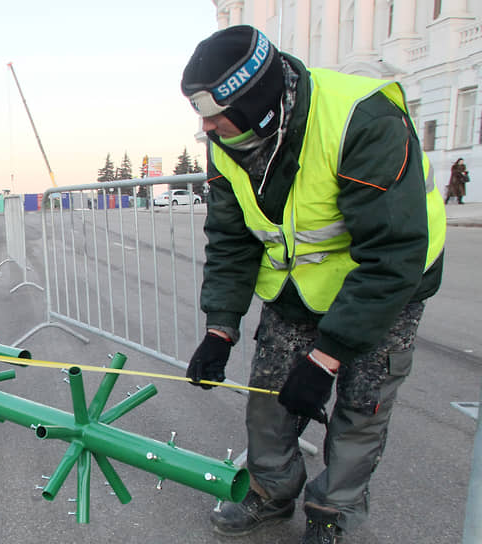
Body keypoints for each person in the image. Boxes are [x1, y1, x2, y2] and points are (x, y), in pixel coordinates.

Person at [180, 26, 446, 543]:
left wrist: (328, 357)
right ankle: (271, 494)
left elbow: (393, 254)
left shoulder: (361, 120)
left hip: (387, 288)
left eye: (215, 114)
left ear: (258, 105)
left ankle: (332, 513)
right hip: (297, 291)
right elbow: (232, 240)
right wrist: (221, 329)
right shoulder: (227, 143)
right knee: (269, 400)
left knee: (359, 411)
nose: (206, 128)